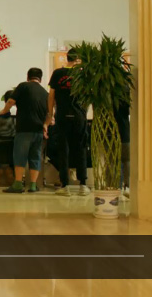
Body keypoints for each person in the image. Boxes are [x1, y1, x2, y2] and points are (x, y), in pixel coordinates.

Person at [47, 51, 90, 196]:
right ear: (78, 59)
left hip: (62, 115)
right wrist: (84, 111)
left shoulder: (58, 73)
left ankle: (65, 185)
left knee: (63, 149)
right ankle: (83, 185)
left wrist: (50, 114)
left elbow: (51, 96)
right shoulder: (83, 74)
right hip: (79, 116)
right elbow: (88, 95)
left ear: (67, 58)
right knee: (81, 148)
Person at [0, 68, 50, 193]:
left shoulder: (23, 86)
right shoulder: (45, 93)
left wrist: (4, 111)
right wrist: (45, 126)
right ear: (40, 79)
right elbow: (50, 114)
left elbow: (11, 101)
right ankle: (33, 185)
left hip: (24, 129)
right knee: (35, 157)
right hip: (38, 130)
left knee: (20, 156)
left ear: (28, 77)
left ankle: (18, 184)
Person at [115, 97, 131, 198]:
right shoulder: (125, 94)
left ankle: (118, 187)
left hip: (112, 132)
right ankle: (127, 186)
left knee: (115, 161)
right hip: (125, 131)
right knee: (126, 160)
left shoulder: (109, 95)